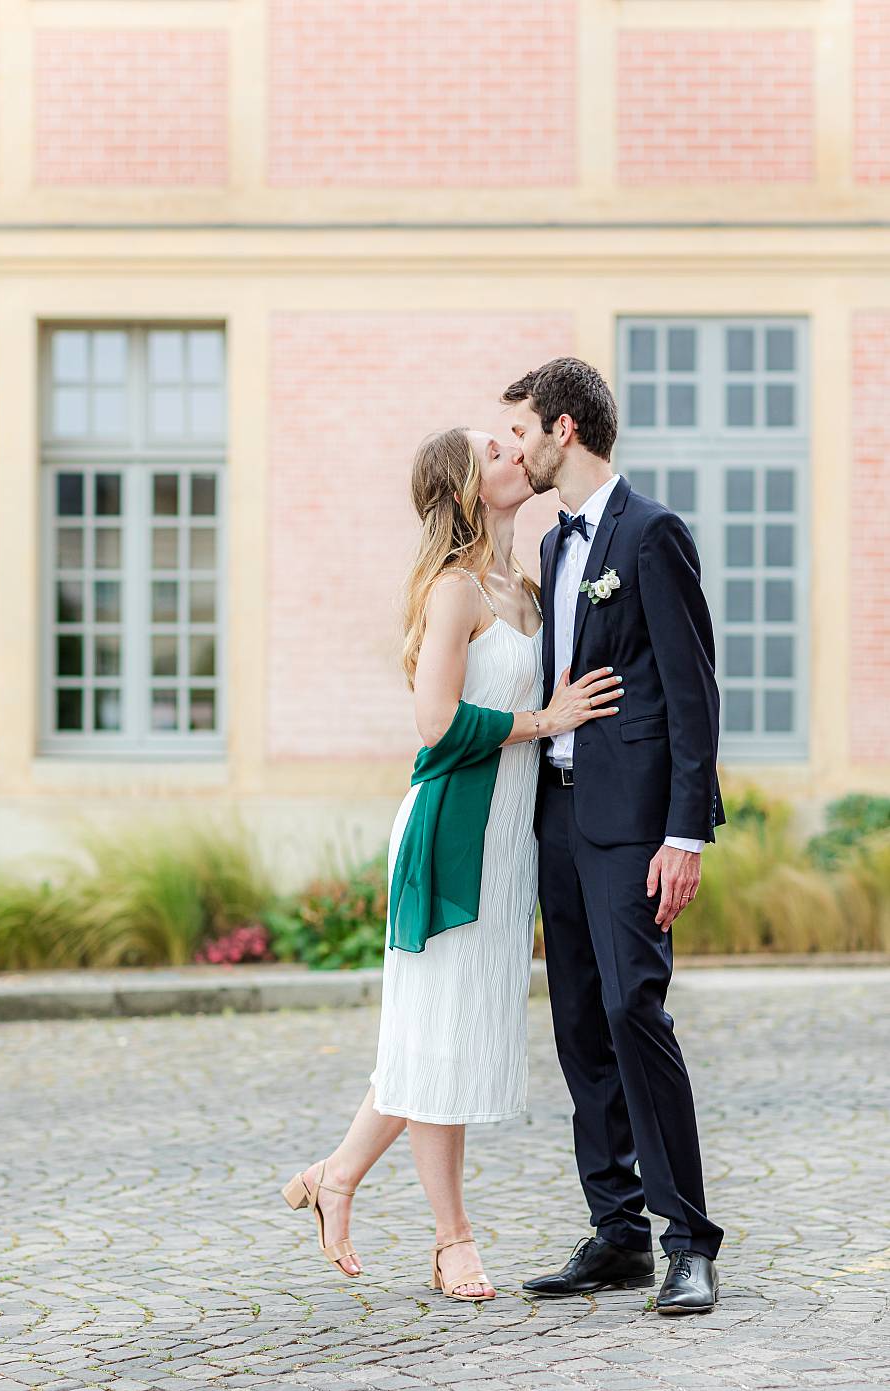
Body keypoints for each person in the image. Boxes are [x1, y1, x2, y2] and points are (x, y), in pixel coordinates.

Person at [282, 425, 621, 1300]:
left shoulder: (529, 587)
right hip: (452, 834)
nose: (516, 452)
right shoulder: (454, 590)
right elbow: (435, 723)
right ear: (470, 488)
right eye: (496, 451)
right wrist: (546, 721)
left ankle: (336, 1177)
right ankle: (451, 1239)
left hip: (510, 846)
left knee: (449, 1035)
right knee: (437, 1035)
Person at [501, 356, 726, 1316]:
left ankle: (690, 1241)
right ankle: (617, 1231)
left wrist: (686, 834)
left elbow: (692, 692)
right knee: (579, 1023)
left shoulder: (651, 533)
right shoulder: (554, 545)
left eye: (521, 431)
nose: (515, 449)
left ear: (564, 428)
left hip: (633, 824)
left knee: (636, 1008)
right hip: (556, 817)